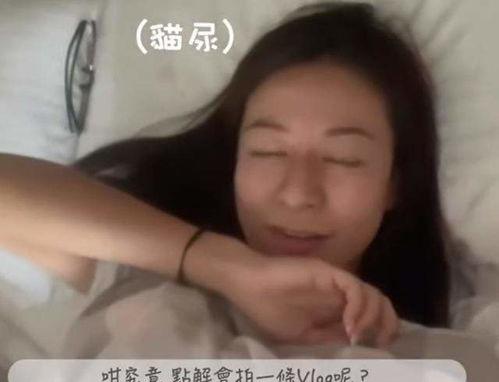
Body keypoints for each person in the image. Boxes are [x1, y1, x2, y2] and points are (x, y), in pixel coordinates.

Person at [0, 2, 449, 349]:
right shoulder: (152, 278)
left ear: (396, 183)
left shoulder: (457, 320)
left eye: (343, 158)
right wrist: (221, 266)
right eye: (268, 151)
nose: (297, 193)